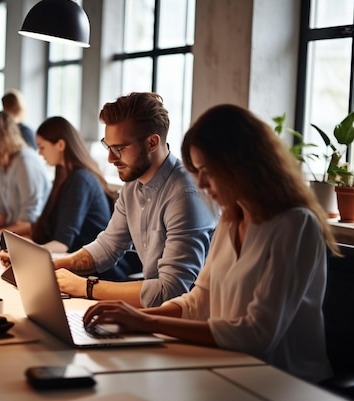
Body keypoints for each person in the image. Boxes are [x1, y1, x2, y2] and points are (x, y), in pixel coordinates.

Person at [83, 104, 339, 383]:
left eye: (208, 170)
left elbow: (257, 335)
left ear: (243, 164)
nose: (201, 182)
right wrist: (133, 317)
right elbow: (199, 301)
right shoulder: (231, 220)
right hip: (228, 367)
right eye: (197, 170)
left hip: (283, 382)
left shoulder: (295, 224)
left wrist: (146, 321)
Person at [53, 92, 216, 308]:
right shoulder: (132, 184)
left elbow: (171, 291)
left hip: (189, 322)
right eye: (107, 146)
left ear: (151, 143)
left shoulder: (185, 196)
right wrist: (53, 265)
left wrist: (86, 287)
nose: (110, 158)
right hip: (155, 315)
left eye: (119, 148)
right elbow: (109, 246)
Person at [0, 117, 117, 263]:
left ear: (60, 145)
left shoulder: (81, 180)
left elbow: (62, 244)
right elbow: (50, 231)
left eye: (42, 147)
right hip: (71, 260)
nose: (40, 154)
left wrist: (24, 255)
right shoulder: (65, 178)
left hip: (93, 268)